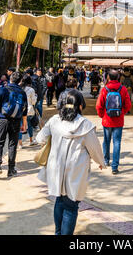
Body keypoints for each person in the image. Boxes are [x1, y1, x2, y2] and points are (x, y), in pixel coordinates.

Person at [36, 89, 105, 235]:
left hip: (56, 168)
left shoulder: (54, 121)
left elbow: (40, 139)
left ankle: (58, 232)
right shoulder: (85, 125)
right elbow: (95, 149)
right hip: (76, 171)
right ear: (80, 105)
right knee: (71, 206)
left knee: (59, 201)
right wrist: (101, 162)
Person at [0, 71, 28, 178]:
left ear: (10, 79)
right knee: (12, 145)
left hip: (3, 119)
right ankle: (11, 169)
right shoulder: (22, 92)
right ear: (20, 81)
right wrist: (24, 124)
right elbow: (24, 110)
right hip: (16, 121)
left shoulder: (3, 89)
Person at [96, 69, 131, 175]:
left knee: (106, 141)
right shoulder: (123, 89)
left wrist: (102, 115)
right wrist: (122, 112)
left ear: (108, 78)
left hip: (107, 120)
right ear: (118, 78)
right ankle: (115, 167)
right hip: (118, 120)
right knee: (117, 142)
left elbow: (99, 105)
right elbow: (128, 105)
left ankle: (106, 161)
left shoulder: (105, 89)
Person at [18, 73, 38, 147]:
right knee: (29, 125)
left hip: (19, 109)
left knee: (20, 126)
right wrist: (35, 96)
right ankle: (31, 140)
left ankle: (20, 144)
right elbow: (33, 102)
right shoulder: (31, 90)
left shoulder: (19, 88)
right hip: (29, 110)